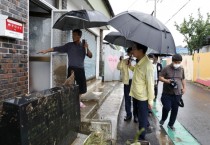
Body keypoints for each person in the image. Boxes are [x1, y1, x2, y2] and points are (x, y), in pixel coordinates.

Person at [38, 29, 93, 108]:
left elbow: (90, 56)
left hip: (80, 69)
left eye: (74, 35)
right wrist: (46, 50)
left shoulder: (83, 46)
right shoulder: (69, 45)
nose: (72, 36)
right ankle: (71, 101)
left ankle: (78, 100)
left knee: (82, 88)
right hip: (72, 69)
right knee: (69, 86)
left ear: (79, 36)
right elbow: (57, 48)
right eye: (72, 35)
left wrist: (87, 48)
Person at [129, 42, 154, 140]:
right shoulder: (139, 61)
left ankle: (141, 138)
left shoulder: (147, 65)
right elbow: (135, 71)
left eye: (134, 48)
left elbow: (150, 83)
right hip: (135, 94)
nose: (132, 50)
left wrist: (150, 100)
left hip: (142, 98)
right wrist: (129, 66)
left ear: (141, 50)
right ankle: (140, 134)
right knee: (139, 116)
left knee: (142, 119)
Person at [159, 54, 186, 131]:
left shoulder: (181, 69)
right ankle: (163, 118)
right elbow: (160, 77)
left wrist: (184, 88)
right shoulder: (166, 68)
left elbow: (183, 79)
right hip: (167, 93)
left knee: (175, 110)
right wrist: (167, 81)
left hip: (177, 94)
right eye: (176, 62)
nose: (177, 64)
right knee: (167, 107)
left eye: (179, 62)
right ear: (173, 61)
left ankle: (171, 124)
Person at [117, 47, 138, 123]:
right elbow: (118, 67)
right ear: (128, 53)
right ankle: (128, 114)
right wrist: (120, 61)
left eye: (133, 53)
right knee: (127, 99)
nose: (132, 55)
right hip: (127, 82)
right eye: (130, 53)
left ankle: (136, 116)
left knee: (136, 99)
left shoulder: (137, 61)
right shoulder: (124, 61)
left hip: (135, 82)